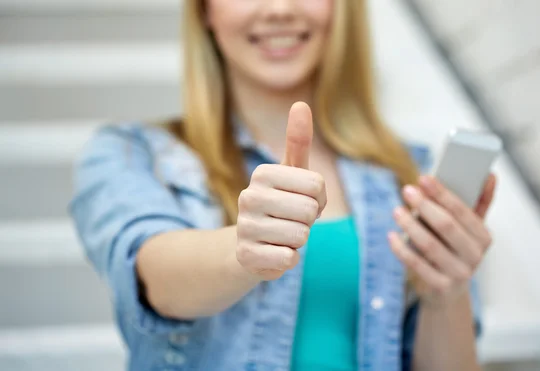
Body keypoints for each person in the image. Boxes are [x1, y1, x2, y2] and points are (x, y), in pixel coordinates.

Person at [70, 1, 497, 370]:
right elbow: (153, 276)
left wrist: (447, 293)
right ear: (204, 10)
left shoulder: (408, 174)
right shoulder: (132, 156)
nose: (278, 9)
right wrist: (243, 252)